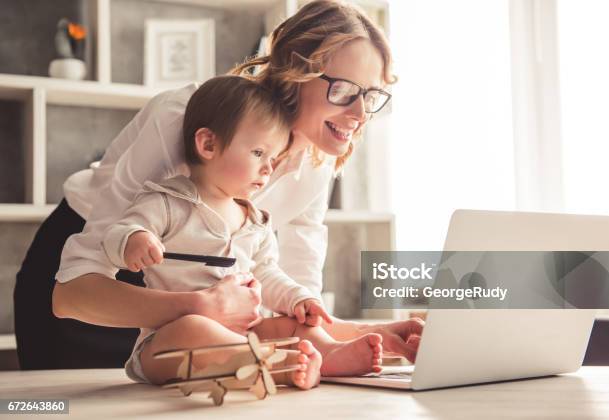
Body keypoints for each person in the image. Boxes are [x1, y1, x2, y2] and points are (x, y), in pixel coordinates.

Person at [15, 0, 423, 370]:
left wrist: (359, 336)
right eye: (345, 90)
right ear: (295, 72)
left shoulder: (318, 157)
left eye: (370, 96)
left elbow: (295, 307)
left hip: (204, 316)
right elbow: (70, 296)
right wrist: (202, 307)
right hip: (101, 286)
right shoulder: (187, 116)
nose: (359, 114)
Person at [104, 75, 384, 386]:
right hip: (166, 344)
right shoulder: (168, 202)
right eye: (258, 153)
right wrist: (134, 239)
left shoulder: (255, 221)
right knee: (195, 328)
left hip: (243, 334)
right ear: (208, 144)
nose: (268, 168)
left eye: (273, 158)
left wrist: (298, 299)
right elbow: (118, 232)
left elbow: (266, 272)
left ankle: (329, 354)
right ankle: (275, 364)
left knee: (291, 324)